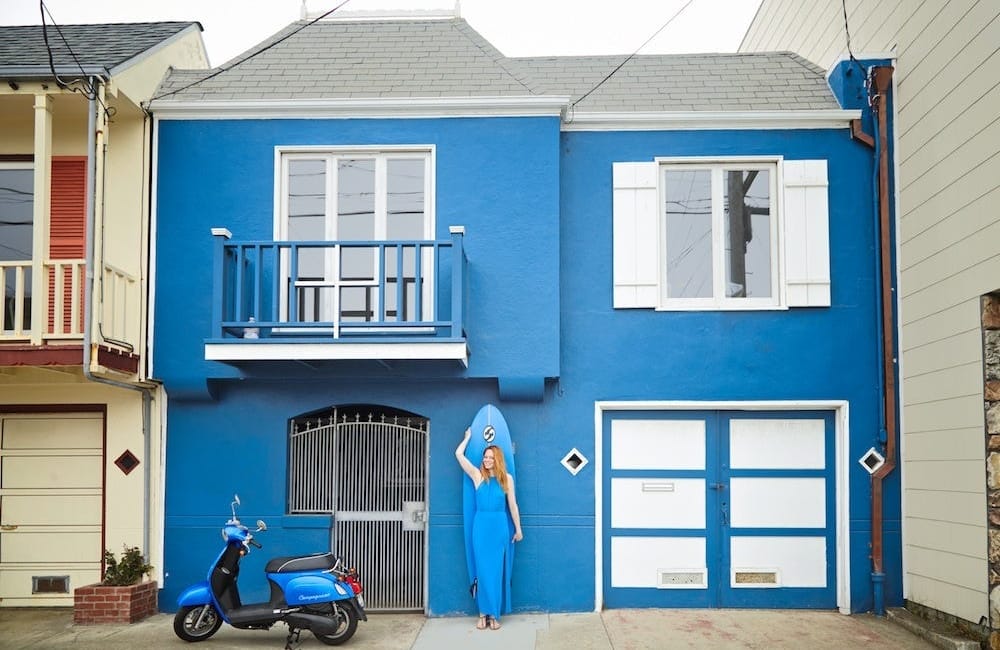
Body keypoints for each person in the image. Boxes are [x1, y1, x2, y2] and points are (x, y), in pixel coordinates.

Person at [455, 427, 523, 630]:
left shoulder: (507, 480)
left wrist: (518, 529)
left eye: (490, 457)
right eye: (485, 457)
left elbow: (513, 505)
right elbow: (458, 454)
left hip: (499, 527)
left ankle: (493, 615)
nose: (486, 460)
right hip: (481, 528)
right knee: (483, 570)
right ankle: (482, 613)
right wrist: (466, 438)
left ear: (498, 459)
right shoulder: (477, 476)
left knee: (495, 572)